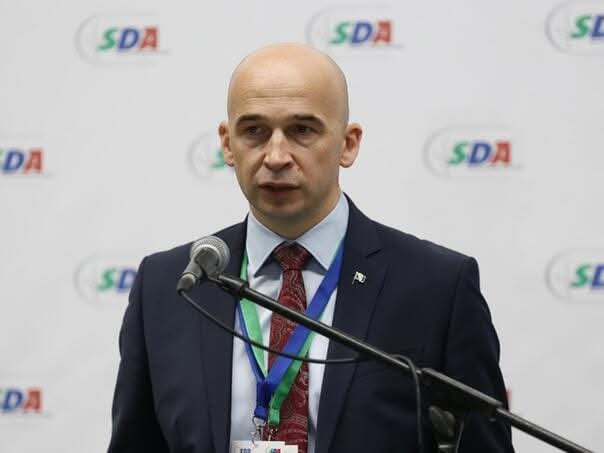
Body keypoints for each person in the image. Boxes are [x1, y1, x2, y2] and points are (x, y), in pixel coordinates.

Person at [108, 43, 514, 453]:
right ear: (228, 144)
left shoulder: (436, 288)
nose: (276, 156)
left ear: (348, 144)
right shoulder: (171, 286)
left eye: (302, 130)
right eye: (254, 131)